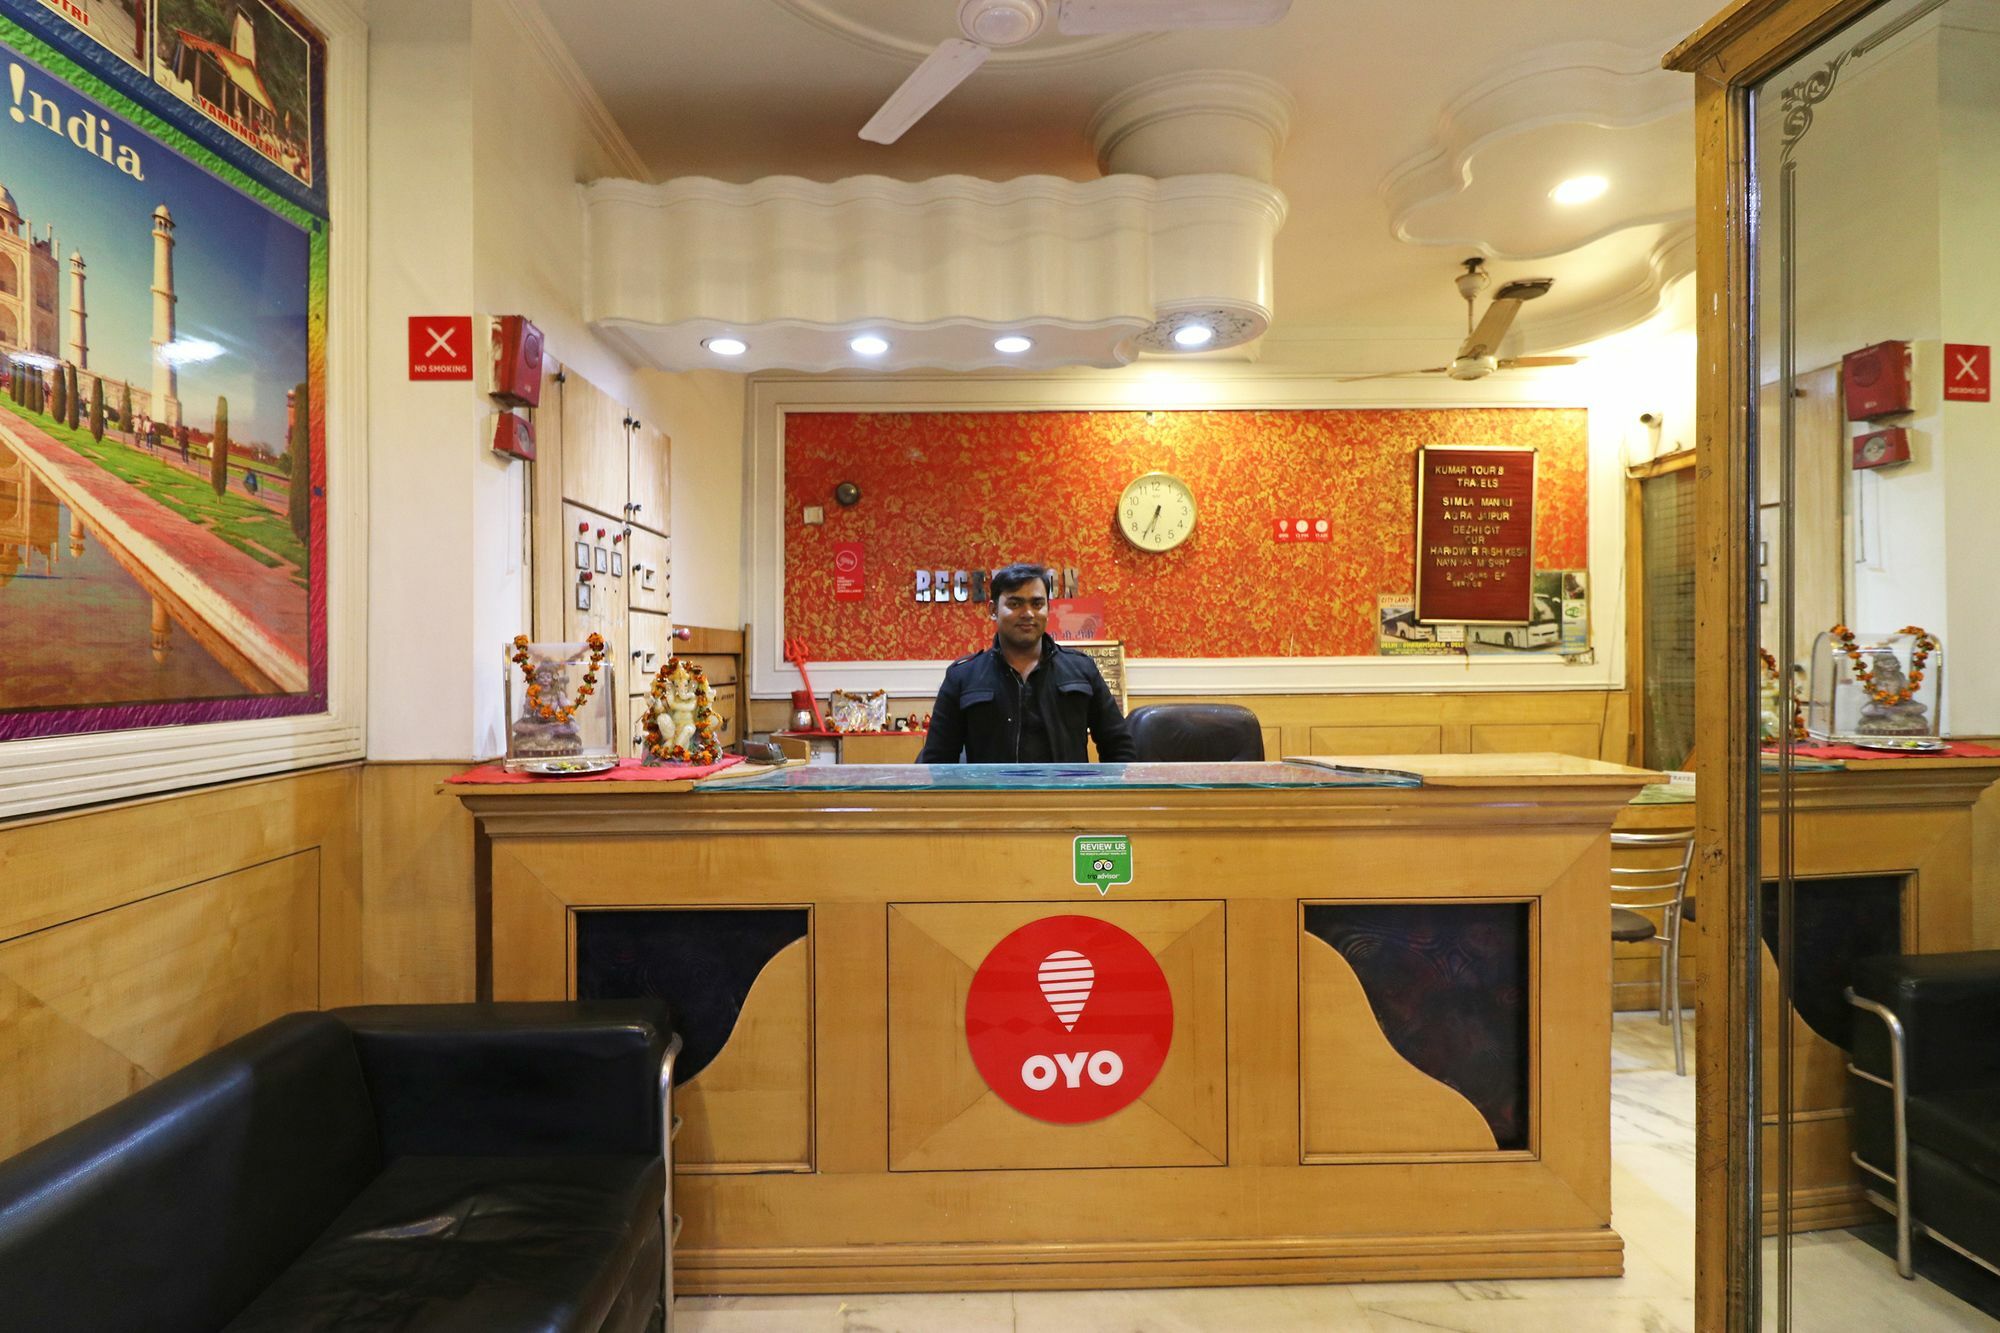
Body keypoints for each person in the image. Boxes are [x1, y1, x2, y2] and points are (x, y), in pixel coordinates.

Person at [917, 562, 1135, 764]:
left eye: (1037, 604)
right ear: (993, 610)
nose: (1028, 613)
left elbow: (1119, 747)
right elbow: (937, 761)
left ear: (1048, 608)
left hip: (1066, 792)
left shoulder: (1081, 669)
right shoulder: (962, 677)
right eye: (1015, 604)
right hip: (993, 794)